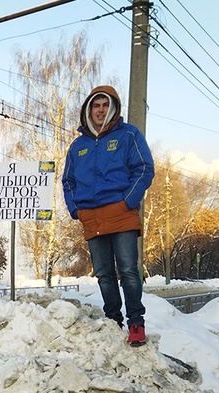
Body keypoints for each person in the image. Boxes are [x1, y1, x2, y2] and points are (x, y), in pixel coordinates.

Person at [61, 85, 155, 346]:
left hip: (121, 212)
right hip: (91, 215)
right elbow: (67, 181)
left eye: (105, 105)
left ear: (112, 107)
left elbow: (144, 169)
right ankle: (113, 320)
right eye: (96, 105)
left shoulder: (128, 135)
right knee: (103, 273)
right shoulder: (78, 146)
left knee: (128, 270)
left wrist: (128, 201)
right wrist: (75, 209)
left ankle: (136, 322)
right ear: (89, 110)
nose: (100, 110)